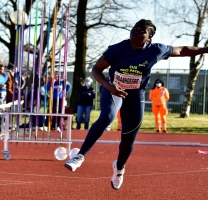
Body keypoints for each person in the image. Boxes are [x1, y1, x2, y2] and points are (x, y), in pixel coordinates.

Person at [64, 19, 208, 190]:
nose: (135, 32)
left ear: (150, 36)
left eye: (141, 31)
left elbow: (182, 50)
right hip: (113, 89)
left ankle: (119, 168)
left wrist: (206, 49)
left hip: (135, 95)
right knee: (107, 117)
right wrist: (109, 86)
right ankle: (80, 156)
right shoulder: (118, 49)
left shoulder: (157, 50)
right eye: (134, 29)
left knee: (128, 137)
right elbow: (96, 69)